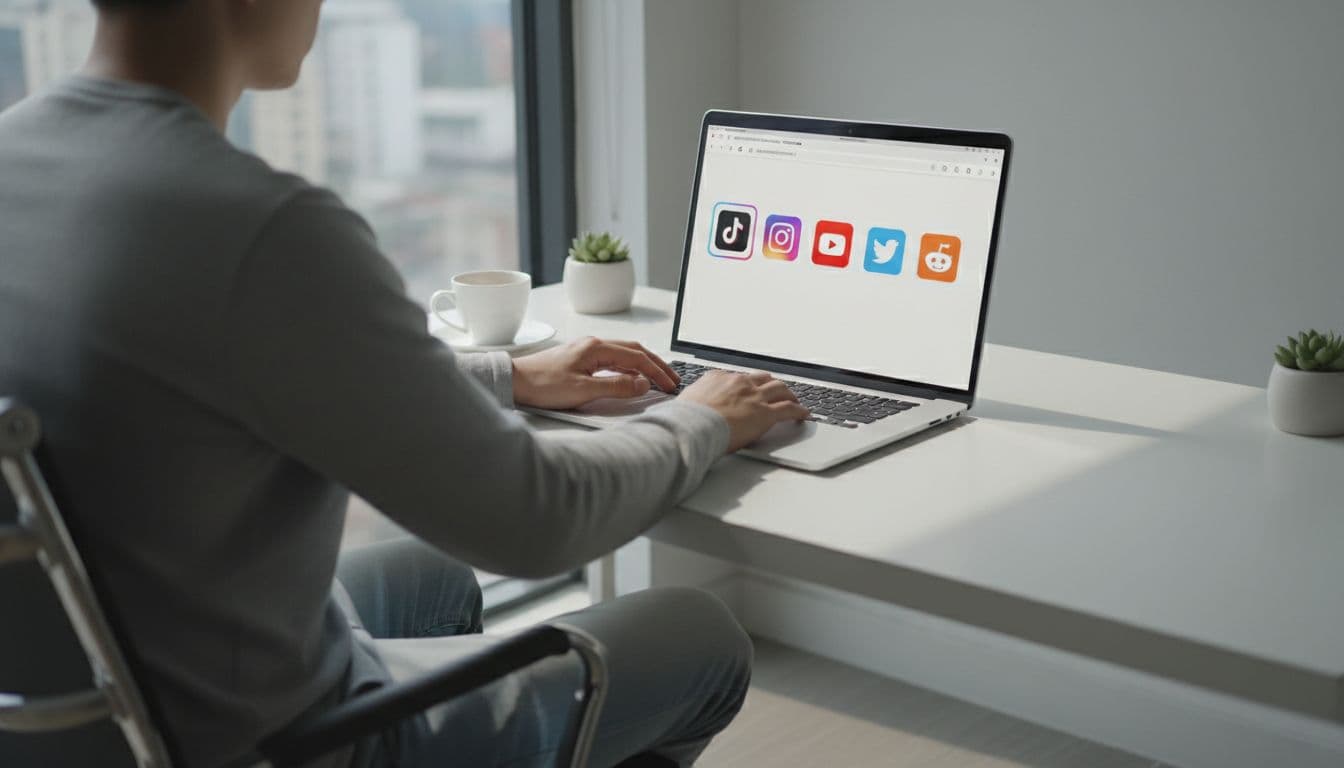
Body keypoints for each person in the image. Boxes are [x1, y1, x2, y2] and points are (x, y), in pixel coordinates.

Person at [0, 1, 809, 766]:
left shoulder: (19, 155)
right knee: (698, 637)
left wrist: (507, 379)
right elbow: (536, 521)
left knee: (429, 579)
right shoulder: (261, 226)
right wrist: (702, 419)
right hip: (270, 742)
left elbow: (191, 375)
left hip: (94, 705)